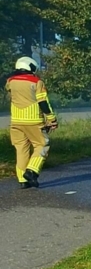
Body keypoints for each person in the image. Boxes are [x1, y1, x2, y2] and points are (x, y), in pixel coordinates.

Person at [4, 57, 58, 188]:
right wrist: (52, 119)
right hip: (33, 120)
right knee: (43, 144)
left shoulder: (10, 82)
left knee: (21, 149)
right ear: (30, 67)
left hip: (16, 121)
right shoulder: (37, 82)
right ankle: (32, 171)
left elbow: (10, 91)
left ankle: (23, 180)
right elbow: (43, 102)